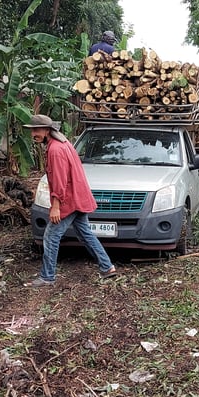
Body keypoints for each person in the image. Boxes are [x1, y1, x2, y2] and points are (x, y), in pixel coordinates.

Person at [23, 114, 117, 287]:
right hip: (78, 197)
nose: (33, 134)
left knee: (51, 236)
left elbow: (59, 180)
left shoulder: (55, 150)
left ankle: (47, 277)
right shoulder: (63, 144)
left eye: (36, 130)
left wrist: (56, 206)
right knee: (85, 233)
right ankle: (107, 266)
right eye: (32, 130)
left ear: (46, 130)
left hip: (69, 200)